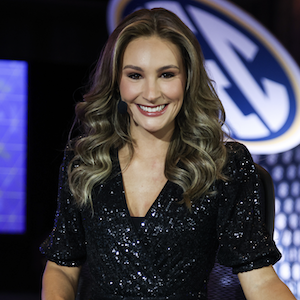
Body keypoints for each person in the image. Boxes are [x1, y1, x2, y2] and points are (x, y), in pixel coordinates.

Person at [40, 7, 296, 300]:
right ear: (117, 83)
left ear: (187, 79)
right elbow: (61, 266)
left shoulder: (223, 166)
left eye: (166, 74)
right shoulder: (85, 161)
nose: (150, 93)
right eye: (135, 75)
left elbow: (260, 281)